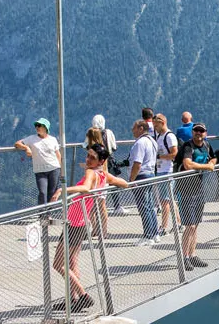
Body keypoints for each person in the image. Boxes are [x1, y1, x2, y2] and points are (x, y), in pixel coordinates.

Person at [49, 145, 114, 312]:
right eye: (87, 156)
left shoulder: (91, 173)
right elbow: (123, 183)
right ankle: (73, 300)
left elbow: (85, 188)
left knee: (58, 264)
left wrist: (62, 190)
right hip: (83, 222)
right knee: (72, 263)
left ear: (101, 161)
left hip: (74, 222)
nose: (87, 160)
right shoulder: (103, 175)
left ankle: (83, 295)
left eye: (92, 157)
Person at [176, 123, 216, 271]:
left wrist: (211, 162)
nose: (199, 133)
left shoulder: (206, 144)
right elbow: (187, 164)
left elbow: (214, 158)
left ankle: (192, 255)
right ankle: (184, 257)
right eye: (196, 130)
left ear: (205, 133)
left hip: (198, 188)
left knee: (196, 225)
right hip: (186, 189)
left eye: (202, 131)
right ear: (193, 132)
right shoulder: (188, 146)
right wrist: (207, 167)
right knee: (190, 225)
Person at [126, 118, 160, 244]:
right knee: (150, 205)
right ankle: (155, 233)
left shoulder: (140, 143)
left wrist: (131, 179)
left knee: (143, 207)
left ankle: (148, 236)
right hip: (150, 174)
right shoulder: (152, 141)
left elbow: (137, 164)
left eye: (134, 128)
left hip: (141, 176)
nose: (132, 130)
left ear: (141, 128)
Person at [14, 118, 62, 204]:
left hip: (54, 169)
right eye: (36, 125)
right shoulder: (32, 138)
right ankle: (42, 215)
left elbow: (58, 155)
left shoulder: (53, 139)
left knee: (51, 193)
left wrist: (60, 169)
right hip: (40, 171)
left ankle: (48, 214)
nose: (37, 127)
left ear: (46, 127)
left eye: (39, 125)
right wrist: (26, 148)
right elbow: (17, 143)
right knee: (42, 193)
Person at [153, 113, 179, 235]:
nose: (155, 128)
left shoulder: (169, 136)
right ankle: (178, 223)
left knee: (164, 201)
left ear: (162, 122)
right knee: (170, 199)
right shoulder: (159, 136)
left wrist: (160, 156)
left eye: (156, 125)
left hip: (166, 171)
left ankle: (163, 227)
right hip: (161, 170)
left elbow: (174, 153)